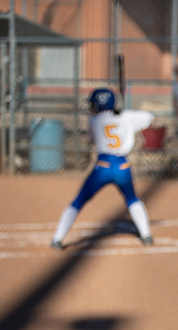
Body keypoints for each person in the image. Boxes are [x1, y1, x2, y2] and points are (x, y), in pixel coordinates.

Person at [51, 88, 154, 249]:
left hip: (103, 167)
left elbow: (94, 138)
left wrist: (119, 116)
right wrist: (126, 114)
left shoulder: (93, 121)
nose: (91, 107)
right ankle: (146, 235)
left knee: (78, 201)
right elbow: (149, 117)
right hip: (123, 168)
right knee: (132, 199)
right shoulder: (127, 117)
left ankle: (57, 238)